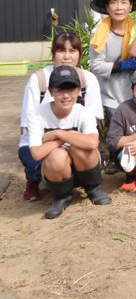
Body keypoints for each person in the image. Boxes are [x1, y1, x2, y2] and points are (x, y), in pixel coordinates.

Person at [19, 32, 104, 201]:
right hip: (40, 139)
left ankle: (86, 184)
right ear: (53, 54)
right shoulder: (40, 79)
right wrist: (57, 142)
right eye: (61, 51)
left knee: (80, 154)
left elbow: (92, 121)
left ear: (80, 54)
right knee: (50, 160)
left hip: (73, 138)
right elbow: (28, 126)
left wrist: (62, 136)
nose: (66, 56)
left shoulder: (88, 79)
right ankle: (33, 180)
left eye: (72, 51)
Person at [28, 66, 111, 219]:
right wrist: (68, 137)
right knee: (56, 156)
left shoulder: (83, 112)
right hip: (57, 172)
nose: (66, 96)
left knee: (80, 149)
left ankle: (93, 188)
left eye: (71, 89)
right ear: (51, 91)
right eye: (60, 90)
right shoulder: (37, 114)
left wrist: (59, 134)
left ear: (78, 90)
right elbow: (36, 153)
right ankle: (61, 196)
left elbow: (92, 143)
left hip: (83, 166)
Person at [88, 0, 136, 174]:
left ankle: (135, 163)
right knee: (116, 128)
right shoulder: (99, 33)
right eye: (114, 3)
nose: (119, 7)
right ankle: (113, 158)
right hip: (110, 92)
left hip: (133, 90)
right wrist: (120, 66)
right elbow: (95, 65)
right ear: (107, 6)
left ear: (130, 6)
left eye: (123, 2)